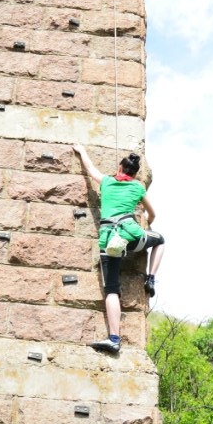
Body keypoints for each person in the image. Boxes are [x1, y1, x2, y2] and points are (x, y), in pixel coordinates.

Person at [73, 144, 165, 355]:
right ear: (134, 173)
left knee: (111, 289)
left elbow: (90, 169)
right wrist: (147, 224)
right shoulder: (137, 188)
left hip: (109, 241)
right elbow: (153, 215)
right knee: (160, 240)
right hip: (131, 236)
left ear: (120, 168)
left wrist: (81, 151)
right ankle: (151, 278)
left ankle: (114, 339)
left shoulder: (106, 182)